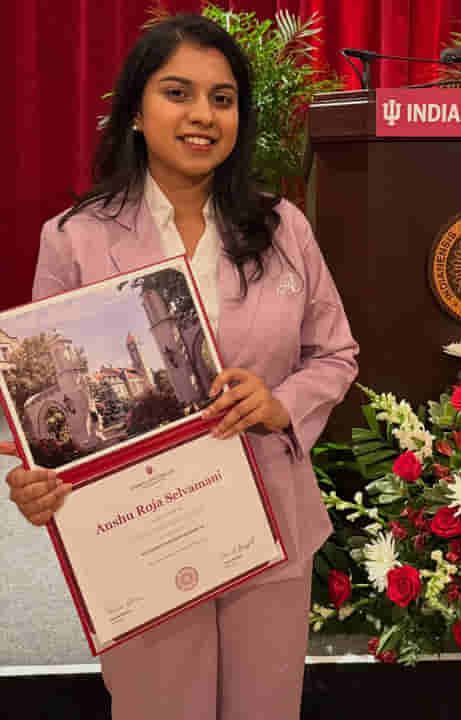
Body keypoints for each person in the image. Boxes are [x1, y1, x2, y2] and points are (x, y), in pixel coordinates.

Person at [3, 15, 357, 719]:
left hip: (270, 524)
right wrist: (33, 478)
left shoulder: (283, 228)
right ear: (136, 111)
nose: (202, 115)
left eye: (222, 99)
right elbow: (37, 395)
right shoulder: (75, 238)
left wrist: (280, 403)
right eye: (178, 93)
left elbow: (334, 353)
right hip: (140, 533)